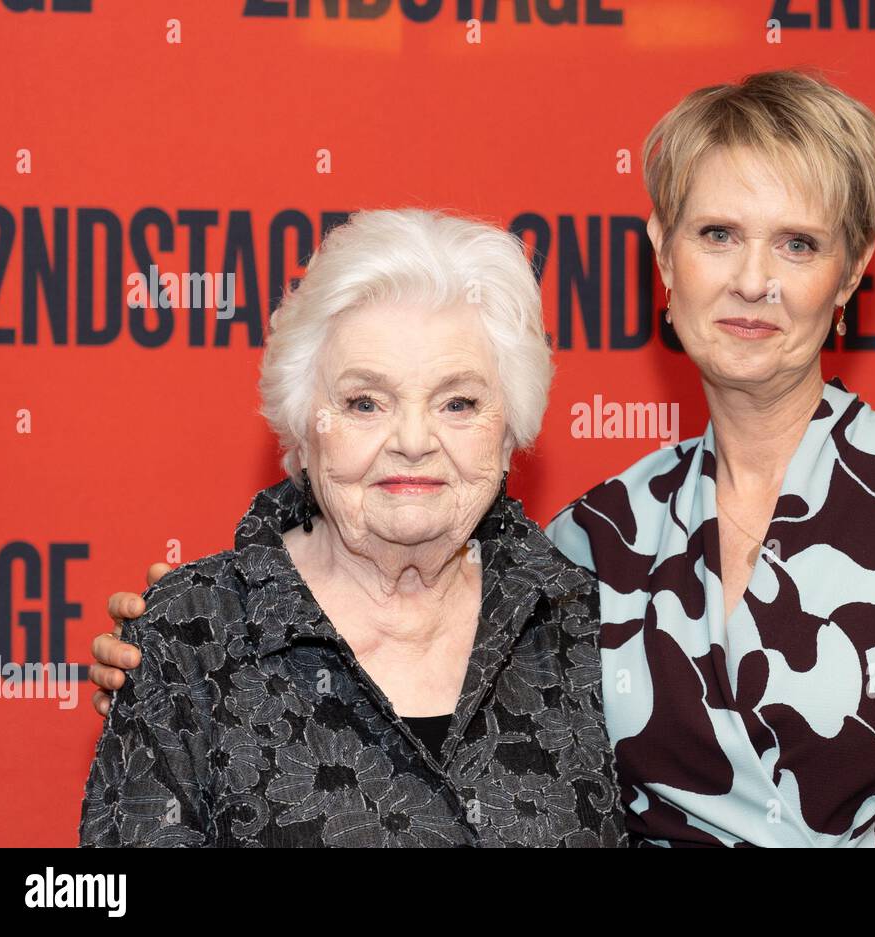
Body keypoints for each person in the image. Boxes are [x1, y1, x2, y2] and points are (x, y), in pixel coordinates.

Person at [89, 69, 875, 847]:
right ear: (663, 254)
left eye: (796, 242)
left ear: (852, 272)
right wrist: (189, 645)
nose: (752, 279)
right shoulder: (592, 543)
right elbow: (387, 620)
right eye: (717, 233)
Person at [79, 208, 626, 847]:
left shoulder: (592, 628)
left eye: (458, 403)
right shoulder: (191, 636)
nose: (414, 441)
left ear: (509, 434)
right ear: (304, 428)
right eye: (365, 403)